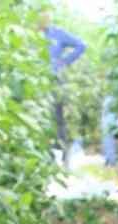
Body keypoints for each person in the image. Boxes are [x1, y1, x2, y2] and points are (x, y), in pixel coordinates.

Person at [38, 16, 85, 160]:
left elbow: (81, 45)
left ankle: (63, 155)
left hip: (54, 80)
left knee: (57, 116)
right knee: (39, 116)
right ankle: (44, 155)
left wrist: (63, 62)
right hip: (36, 80)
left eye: (47, 16)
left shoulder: (57, 33)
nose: (44, 19)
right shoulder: (29, 32)